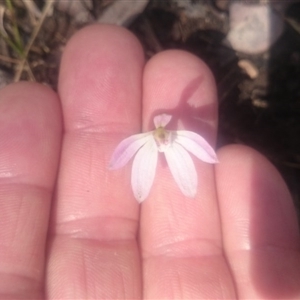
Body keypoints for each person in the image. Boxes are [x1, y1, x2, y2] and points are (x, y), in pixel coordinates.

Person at [0, 24, 299, 299]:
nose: (161, 136)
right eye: (160, 132)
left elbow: (200, 153)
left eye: (162, 133)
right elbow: (125, 160)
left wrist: (165, 130)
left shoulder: (172, 139)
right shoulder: (147, 143)